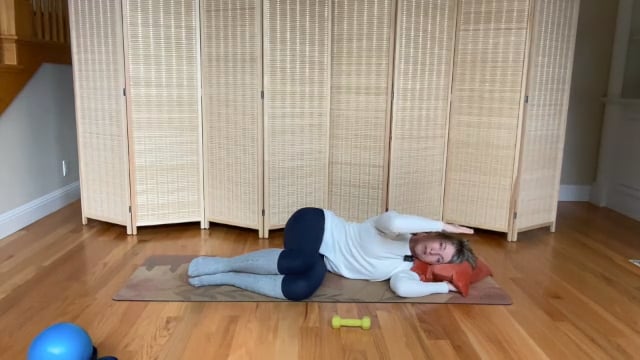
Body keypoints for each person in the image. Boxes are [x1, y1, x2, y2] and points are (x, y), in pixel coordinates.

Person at [188, 207, 476, 300]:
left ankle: (226, 277)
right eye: (440, 244)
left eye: (440, 258)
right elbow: (397, 221)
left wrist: (444, 285)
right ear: (430, 234)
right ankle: (220, 263)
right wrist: (443, 224)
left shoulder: (404, 270)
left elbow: (402, 289)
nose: (434, 253)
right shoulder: (391, 228)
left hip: (322, 258)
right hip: (315, 224)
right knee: (299, 260)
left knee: (299, 289)